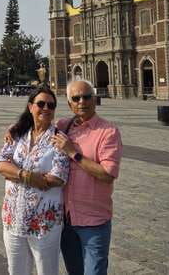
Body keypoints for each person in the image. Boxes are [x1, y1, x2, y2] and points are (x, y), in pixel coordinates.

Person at [0, 87, 69, 275]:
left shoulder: (58, 139)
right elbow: (0, 163)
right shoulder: (18, 134)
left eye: (51, 105)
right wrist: (27, 176)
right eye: (41, 104)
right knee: (16, 270)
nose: (46, 108)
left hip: (43, 221)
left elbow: (58, 177)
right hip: (13, 217)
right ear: (30, 107)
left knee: (47, 271)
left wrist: (13, 173)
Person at [52, 80, 122, 275]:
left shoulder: (108, 132)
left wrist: (73, 153)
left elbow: (108, 174)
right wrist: (14, 129)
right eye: (76, 98)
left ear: (94, 99)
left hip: (93, 221)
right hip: (66, 220)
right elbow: (36, 126)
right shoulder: (63, 126)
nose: (82, 101)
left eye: (87, 96)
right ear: (69, 104)